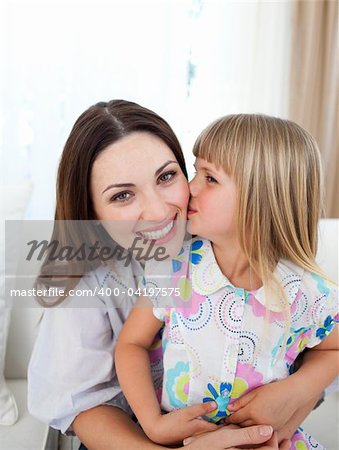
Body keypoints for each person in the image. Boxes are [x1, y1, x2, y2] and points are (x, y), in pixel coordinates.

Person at [28, 100, 296, 450]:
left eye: (167, 176)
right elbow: (84, 407)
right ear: (91, 212)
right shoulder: (87, 281)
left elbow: (310, 342)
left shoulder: (228, 239)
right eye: (123, 196)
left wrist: (295, 396)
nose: (157, 210)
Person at [115, 114, 339, 449]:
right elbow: (130, 345)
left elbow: (333, 348)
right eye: (195, 171)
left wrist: (298, 388)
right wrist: (153, 425)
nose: (189, 187)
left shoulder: (308, 291)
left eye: (210, 178)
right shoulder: (174, 268)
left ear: (261, 199)